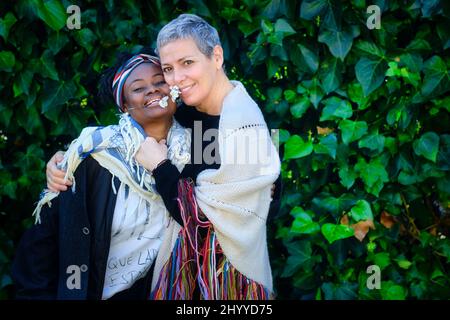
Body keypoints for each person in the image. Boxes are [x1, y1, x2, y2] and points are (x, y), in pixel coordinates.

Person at [46, 14, 282, 300]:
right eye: (169, 68)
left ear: (216, 56)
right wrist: (64, 158)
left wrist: (160, 166)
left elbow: (203, 224)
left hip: (227, 287)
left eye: (188, 63)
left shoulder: (243, 128)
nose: (177, 79)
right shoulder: (189, 117)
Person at [11, 52, 191, 299]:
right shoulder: (93, 156)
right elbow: (41, 246)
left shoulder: (195, 156)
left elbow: (198, 219)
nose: (152, 90)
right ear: (124, 105)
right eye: (138, 88)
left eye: (160, 81)